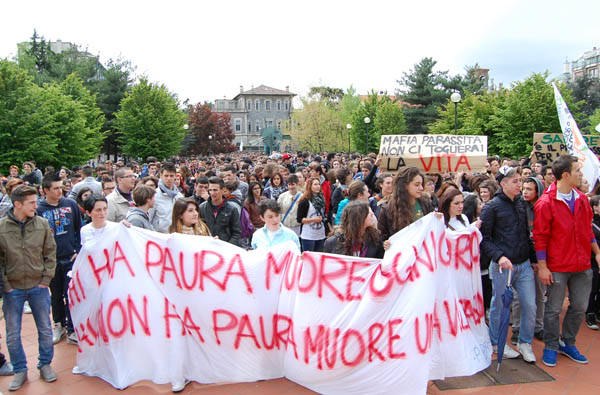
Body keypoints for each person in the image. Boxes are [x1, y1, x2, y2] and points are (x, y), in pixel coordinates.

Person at [533, 155, 599, 367]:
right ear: (566, 175)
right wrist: (543, 267)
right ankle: (552, 346)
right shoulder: (545, 203)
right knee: (553, 309)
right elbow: (540, 237)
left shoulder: (581, 199)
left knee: (579, 306)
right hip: (558, 266)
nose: (581, 174)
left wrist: (596, 251)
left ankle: (568, 342)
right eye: (578, 171)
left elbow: (587, 229)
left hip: (582, 264)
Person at [0, 185, 57, 390]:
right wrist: (6, 285)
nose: (36, 205)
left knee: (45, 328)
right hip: (13, 289)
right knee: (13, 333)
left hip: (38, 286)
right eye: (31, 202)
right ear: (17, 204)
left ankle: (45, 364)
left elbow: (50, 253)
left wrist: (46, 279)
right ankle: (20, 370)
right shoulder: (1, 227)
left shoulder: (41, 224)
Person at [480, 167, 536, 362]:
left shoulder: (521, 204)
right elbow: (484, 239)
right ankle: (497, 342)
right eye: (515, 181)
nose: (519, 184)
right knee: (500, 305)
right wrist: (500, 257)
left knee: (530, 304)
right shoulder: (492, 207)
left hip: (524, 264)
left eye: (520, 180)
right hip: (503, 266)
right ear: (503, 183)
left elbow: (525, 234)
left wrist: (534, 260)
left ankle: (524, 342)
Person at [37, 174, 82, 346]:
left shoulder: (70, 205)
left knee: (70, 293)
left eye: (61, 187)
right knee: (55, 295)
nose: (59, 191)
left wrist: (78, 250)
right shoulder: (40, 209)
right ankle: (59, 324)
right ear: (46, 190)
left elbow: (79, 228)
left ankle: (72, 328)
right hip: (51, 261)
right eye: (55, 188)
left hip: (70, 257)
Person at [511, 176, 546, 344]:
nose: (525, 192)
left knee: (539, 295)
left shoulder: (543, 208)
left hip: (540, 258)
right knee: (519, 297)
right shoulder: (518, 207)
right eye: (524, 188)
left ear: (537, 191)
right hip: (523, 257)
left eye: (530, 189)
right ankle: (517, 327)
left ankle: (538, 326)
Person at [378, 167, 434, 248]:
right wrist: (384, 243)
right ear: (405, 185)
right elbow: (381, 237)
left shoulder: (426, 204)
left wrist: (437, 217)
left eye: (422, 184)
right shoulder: (387, 209)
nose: (421, 188)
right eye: (417, 185)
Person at [199, 176, 241, 246]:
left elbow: (237, 233)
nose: (212, 193)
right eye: (210, 190)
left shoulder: (232, 209)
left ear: (223, 190)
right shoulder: (202, 208)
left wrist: (227, 247)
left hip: (226, 248)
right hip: (207, 247)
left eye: (215, 190)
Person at [296, 177, 328, 252]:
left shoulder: (322, 199)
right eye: (315, 184)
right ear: (310, 186)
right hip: (308, 235)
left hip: (320, 234)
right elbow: (299, 219)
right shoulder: (305, 201)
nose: (318, 186)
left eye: (319, 184)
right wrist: (313, 219)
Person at [152, 163, 184, 233]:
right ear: (161, 176)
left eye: (171, 176)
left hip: (175, 236)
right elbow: (149, 218)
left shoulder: (179, 196)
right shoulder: (154, 196)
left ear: (175, 176)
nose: (169, 178)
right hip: (159, 237)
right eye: (166, 176)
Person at [586, 195, 600, 329]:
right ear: (595, 207)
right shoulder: (591, 223)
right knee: (593, 288)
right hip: (592, 261)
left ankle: (597, 311)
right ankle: (589, 313)